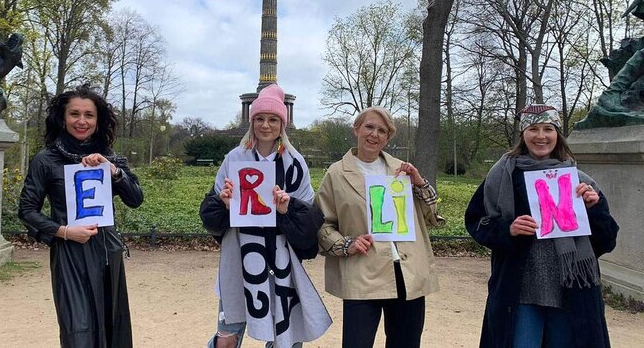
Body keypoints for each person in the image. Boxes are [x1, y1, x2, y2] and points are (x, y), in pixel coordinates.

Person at [465, 104, 619, 348]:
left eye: (548, 129)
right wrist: (507, 230)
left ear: (557, 134)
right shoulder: (501, 176)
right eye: (533, 129)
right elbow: (476, 221)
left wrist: (595, 209)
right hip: (520, 293)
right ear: (523, 134)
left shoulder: (580, 181)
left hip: (571, 291)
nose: (541, 136)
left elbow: (606, 241)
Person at [200, 84, 331, 348]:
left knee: (285, 337)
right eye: (259, 118)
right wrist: (224, 204)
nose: (266, 125)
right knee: (227, 339)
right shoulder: (235, 158)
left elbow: (309, 219)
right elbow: (209, 215)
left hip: (282, 258)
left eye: (273, 119)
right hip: (240, 255)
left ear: (282, 124)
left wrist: (286, 209)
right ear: (252, 121)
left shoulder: (295, 163)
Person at [18, 85, 144, 348]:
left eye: (89, 115)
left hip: (107, 251)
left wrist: (114, 172)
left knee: (113, 328)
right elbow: (27, 210)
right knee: (78, 331)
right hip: (70, 253)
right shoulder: (46, 160)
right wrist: (63, 231)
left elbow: (135, 199)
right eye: (74, 114)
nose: (82, 121)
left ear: (98, 120)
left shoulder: (110, 158)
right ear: (63, 118)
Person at [315, 106, 443, 348]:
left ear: (388, 137)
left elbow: (431, 216)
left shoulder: (402, 170)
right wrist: (346, 244)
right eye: (369, 127)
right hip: (362, 272)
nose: (374, 134)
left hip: (407, 272)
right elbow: (322, 222)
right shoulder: (336, 174)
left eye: (382, 131)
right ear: (356, 129)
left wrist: (419, 183)